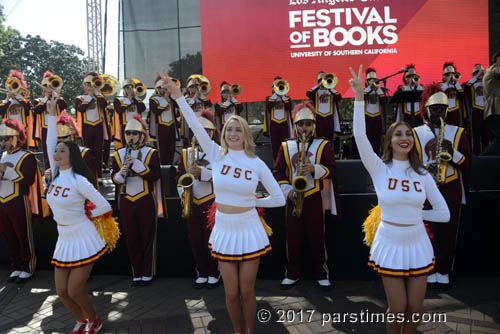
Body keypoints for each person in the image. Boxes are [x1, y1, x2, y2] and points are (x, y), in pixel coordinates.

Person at [160, 69, 285, 334]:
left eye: (238, 129)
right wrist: (178, 95)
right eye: (229, 129)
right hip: (224, 229)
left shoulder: (256, 163)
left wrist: (252, 201)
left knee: (247, 291)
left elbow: (278, 198)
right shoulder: (216, 155)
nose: (233, 133)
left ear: (246, 134)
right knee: (230, 294)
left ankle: (249, 331)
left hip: (250, 227)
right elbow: (194, 124)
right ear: (223, 133)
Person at [350, 65, 450, 334]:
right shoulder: (379, 168)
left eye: (408, 134)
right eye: (398, 134)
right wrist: (359, 99)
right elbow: (359, 136)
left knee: (415, 308)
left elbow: (444, 213)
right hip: (390, 242)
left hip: (418, 242)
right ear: (389, 141)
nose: (404, 137)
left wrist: (418, 216)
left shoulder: (422, 174)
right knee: (397, 307)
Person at [45, 97, 112, 334]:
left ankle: (94, 320)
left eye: (62, 151)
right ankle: (82, 320)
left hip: (82, 237)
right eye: (55, 151)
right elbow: (49, 141)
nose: (56, 153)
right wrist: (51, 115)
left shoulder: (79, 180)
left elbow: (104, 205)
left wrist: (86, 215)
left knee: (75, 291)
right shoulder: (54, 174)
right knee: (61, 292)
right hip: (62, 237)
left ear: (72, 154)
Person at [273, 101, 339, 290]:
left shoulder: (323, 144)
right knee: (292, 237)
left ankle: (321, 273)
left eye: (308, 123)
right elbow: (277, 172)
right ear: (294, 125)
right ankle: (292, 273)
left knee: (317, 236)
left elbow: (332, 170)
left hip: (314, 196)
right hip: (293, 196)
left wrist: (313, 169)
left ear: (314, 125)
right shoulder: (286, 146)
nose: (304, 127)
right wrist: (288, 191)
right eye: (300, 124)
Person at [413, 84, 471, 289]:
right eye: (435, 109)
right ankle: (428, 269)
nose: (439, 113)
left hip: (451, 186)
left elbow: (468, 164)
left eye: (442, 109)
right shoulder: (415, 133)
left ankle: (444, 270)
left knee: (449, 229)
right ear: (426, 109)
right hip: (425, 188)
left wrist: (452, 152)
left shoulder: (457, 132)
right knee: (426, 231)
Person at [111, 115, 162, 286]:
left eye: (134, 133)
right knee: (131, 238)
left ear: (141, 135)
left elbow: (155, 175)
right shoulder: (118, 154)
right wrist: (121, 174)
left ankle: (148, 271)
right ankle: (137, 272)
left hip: (145, 199)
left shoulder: (151, 152)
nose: (131, 136)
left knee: (147, 237)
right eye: (128, 133)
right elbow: (114, 179)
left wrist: (138, 165)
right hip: (126, 201)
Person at [176, 110, 220, 289]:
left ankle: (214, 272)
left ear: (211, 133)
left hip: (212, 201)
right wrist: (183, 194)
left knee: (211, 239)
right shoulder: (186, 153)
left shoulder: (219, 152)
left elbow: (225, 176)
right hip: (192, 201)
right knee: (195, 239)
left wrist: (204, 173)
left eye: (206, 131)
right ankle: (201, 271)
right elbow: (179, 176)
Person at [0, 119, 38, 284]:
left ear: (16, 138)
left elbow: (28, 179)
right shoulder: (2, 155)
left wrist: (6, 170)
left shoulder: (27, 156)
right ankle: (16, 265)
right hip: (2, 201)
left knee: (23, 235)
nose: (4, 142)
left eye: (7, 138)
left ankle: (28, 267)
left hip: (18, 200)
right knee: (8, 236)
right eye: (2, 139)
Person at [75, 72, 111, 179]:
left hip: (98, 126)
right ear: (84, 85)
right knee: (88, 153)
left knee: (98, 152)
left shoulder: (99, 97)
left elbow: (104, 105)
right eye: (87, 84)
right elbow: (81, 109)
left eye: (91, 84)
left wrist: (96, 92)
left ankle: (99, 176)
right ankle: (89, 176)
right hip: (87, 127)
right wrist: (89, 97)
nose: (89, 86)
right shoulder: (80, 98)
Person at [33, 71, 67, 169]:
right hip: (45, 129)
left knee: (60, 150)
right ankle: (49, 174)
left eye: (50, 87)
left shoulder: (58, 98)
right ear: (43, 89)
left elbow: (64, 105)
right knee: (47, 153)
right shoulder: (39, 101)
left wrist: (55, 96)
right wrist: (46, 99)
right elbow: (37, 110)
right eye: (46, 87)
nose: (49, 89)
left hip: (59, 129)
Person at [0, 70, 36, 149]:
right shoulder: (6, 102)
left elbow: (28, 109)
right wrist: (7, 98)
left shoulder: (24, 102)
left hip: (21, 130)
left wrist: (19, 97)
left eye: (16, 85)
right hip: (8, 131)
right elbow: (1, 110)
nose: (13, 88)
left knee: (22, 151)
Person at [149, 74, 180, 165]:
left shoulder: (171, 99)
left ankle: (170, 167)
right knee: (162, 149)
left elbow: (179, 105)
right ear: (158, 88)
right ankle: (162, 168)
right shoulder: (154, 99)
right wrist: (165, 99)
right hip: (161, 127)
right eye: (163, 88)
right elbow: (156, 111)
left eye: (166, 88)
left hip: (171, 126)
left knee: (171, 149)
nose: (165, 90)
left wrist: (172, 94)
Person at [305, 71, 342, 142]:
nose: (323, 83)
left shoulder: (332, 91)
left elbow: (338, 97)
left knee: (329, 139)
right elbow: (308, 94)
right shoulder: (315, 92)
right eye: (321, 81)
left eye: (324, 80)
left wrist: (329, 87)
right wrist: (318, 85)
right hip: (319, 117)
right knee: (319, 139)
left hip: (329, 117)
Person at [263, 77, 293, 160]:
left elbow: (289, 107)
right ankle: (276, 167)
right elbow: (269, 106)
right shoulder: (269, 98)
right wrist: (276, 94)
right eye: (275, 85)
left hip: (284, 124)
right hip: (274, 124)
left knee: (285, 146)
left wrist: (282, 95)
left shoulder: (287, 99)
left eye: (280, 85)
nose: (278, 87)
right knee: (275, 147)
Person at [113, 78, 146, 146]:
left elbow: (143, 108)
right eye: (128, 88)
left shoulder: (136, 99)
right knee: (126, 146)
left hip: (137, 126)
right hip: (126, 127)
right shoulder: (118, 100)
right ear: (124, 89)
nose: (130, 89)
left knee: (138, 145)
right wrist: (128, 100)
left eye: (132, 87)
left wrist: (136, 97)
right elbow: (119, 110)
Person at [463, 64, 487, 155]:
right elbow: (465, 87)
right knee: (475, 135)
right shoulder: (471, 85)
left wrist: (485, 76)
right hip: (476, 111)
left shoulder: (487, 83)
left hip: (486, 111)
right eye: (477, 72)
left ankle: (486, 154)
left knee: (486, 135)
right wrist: (476, 77)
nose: (480, 74)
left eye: (481, 72)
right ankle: (476, 155)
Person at [363, 68, 387, 154]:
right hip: (367, 118)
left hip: (377, 118)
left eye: (374, 80)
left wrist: (377, 89)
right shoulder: (364, 91)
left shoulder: (380, 91)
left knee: (377, 140)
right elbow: (362, 97)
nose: (373, 82)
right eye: (370, 80)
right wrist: (370, 88)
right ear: (367, 82)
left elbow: (383, 101)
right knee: (368, 140)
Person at [482, 63, 500, 155]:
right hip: (494, 111)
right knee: (497, 141)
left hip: (495, 112)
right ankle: (484, 159)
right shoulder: (494, 68)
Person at [440, 62, 466, 127]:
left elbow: (462, 96)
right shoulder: (441, 85)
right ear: (444, 76)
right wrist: (447, 82)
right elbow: (441, 95)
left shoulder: (456, 86)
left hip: (455, 111)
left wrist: (456, 84)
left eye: (453, 74)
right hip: (444, 112)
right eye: (448, 75)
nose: (451, 77)